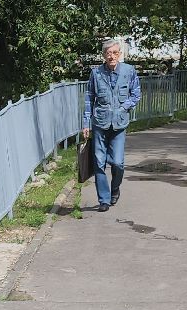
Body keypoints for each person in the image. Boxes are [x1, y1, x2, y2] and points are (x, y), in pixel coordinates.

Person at [81, 38, 141, 210]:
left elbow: (136, 94)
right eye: (108, 53)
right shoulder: (96, 73)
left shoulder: (129, 71)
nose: (112, 56)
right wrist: (86, 123)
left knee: (117, 163)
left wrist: (123, 108)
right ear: (104, 55)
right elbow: (89, 98)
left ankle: (115, 189)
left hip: (119, 124)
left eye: (115, 53)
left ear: (120, 54)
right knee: (99, 162)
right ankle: (104, 200)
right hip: (100, 122)